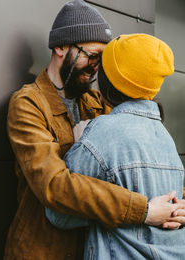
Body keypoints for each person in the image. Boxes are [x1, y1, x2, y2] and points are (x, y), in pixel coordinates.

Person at [4, 0, 185, 260]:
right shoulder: (28, 104)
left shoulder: (96, 103)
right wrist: (143, 210)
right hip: (43, 250)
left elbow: (138, 163)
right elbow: (54, 186)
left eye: (102, 59)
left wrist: (177, 202)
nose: (96, 67)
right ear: (60, 47)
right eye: (92, 55)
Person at [45, 34, 185, 259]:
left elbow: (58, 214)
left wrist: (78, 146)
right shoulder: (166, 138)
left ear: (111, 79)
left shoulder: (103, 133)